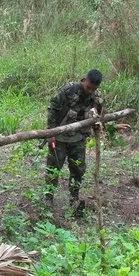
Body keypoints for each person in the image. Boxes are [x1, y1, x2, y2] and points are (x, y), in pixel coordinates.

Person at [44, 69, 104, 217]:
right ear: (84, 80)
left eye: (93, 89)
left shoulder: (96, 97)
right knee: (53, 169)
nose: (90, 90)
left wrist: (114, 127)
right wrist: (50, 133)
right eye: (88, 87)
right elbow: (53, 109)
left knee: (78, 170)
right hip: (59, 138)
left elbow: (100, 118)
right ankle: (48, 199)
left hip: (78, 139)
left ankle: (74, 199)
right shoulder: (69, 89)